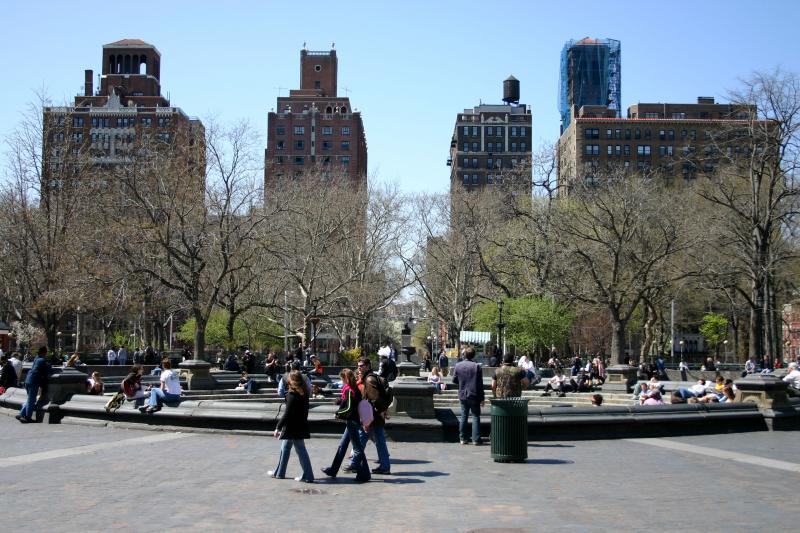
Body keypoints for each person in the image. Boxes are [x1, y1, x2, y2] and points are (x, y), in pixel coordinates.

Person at [320, 368, 370, 482]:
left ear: (345, 378)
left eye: (342, 379)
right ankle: (333, 469)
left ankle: (365, 473)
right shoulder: (354, 389)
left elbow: (348, 407)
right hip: (352, 421)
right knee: (343, 446)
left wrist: (338, 413)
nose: (341, 381)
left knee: (357, 448)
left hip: (352, 421)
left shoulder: (349, 390)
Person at [268, 370, 314, 483]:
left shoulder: (291, 395)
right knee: (285, 448)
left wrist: (277, 427)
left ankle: (308, 476)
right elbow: (304, 412)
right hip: (299, 425)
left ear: (291, 381)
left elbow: (287, 414)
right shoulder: (304, 393)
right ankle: (279, 472)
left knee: (300, 450)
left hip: (292, 428)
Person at [350, 357, 392, 474]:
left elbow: (374, 398)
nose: (359, 367)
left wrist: (379, 411)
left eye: (362, 365)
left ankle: (354, 463)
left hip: (371, 416)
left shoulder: (369, 379)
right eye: (358, 365)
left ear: (368, 366)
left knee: (361, 439)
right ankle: (384, 466)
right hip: (375, 415)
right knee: (378, 440)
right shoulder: (369, 378)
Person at [452, 346, 485, 445]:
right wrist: (482, 398)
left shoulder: (458, 365)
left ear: (464, 355)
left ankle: (462, 438)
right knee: (475, 416)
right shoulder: (477, 366)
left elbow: (454, 380)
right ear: (474, 355)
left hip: (463, 394)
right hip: (474, 394)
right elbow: (480, 384)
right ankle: (476, 439)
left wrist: (462, 382)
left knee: (464, 416)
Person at [17, 346, 51, 423]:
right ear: (44, 353)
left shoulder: (36, 358)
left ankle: (21, 414)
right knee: (31, 400)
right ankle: (27, 417)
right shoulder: (41, 360)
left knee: (30, 399)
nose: (46, 354)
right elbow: (47, 370)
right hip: (33, 381)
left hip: (28, 380)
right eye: (45, 353)